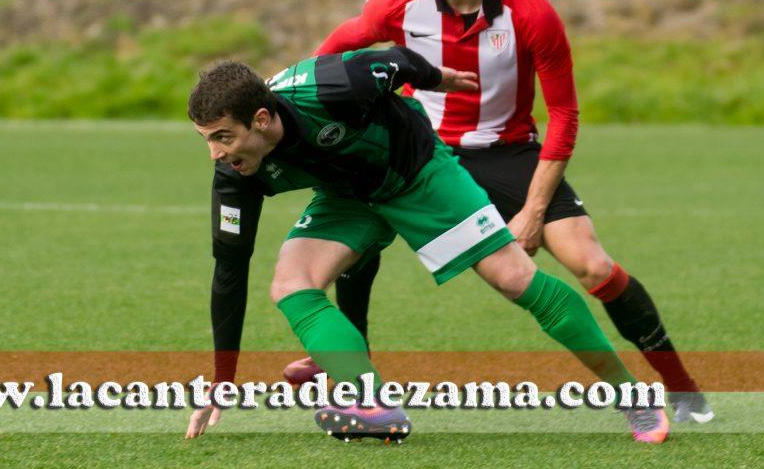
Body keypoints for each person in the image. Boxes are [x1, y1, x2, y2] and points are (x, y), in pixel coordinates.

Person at [282, 0, 712, 424]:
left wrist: (532, 211)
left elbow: (565, 115)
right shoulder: (397, 2)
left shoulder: (531, 13)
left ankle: (678, 385)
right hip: (420, 154)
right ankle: (349, 368)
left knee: (593, 265)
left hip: (508, 152)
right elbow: (330, 64)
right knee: (354, 239)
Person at [185, 48, 669, 443]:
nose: (216, 153)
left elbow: (396, 60)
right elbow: (229, 271)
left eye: (223, 137)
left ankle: (632, 396)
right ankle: (370, 399)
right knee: (290, 284)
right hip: (348, 195)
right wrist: (223, 379)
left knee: (514, 278)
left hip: (418, 172)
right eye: (207, 140)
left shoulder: (331, 85)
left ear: (263, 119)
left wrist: (439, 78)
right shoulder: (233, 175)